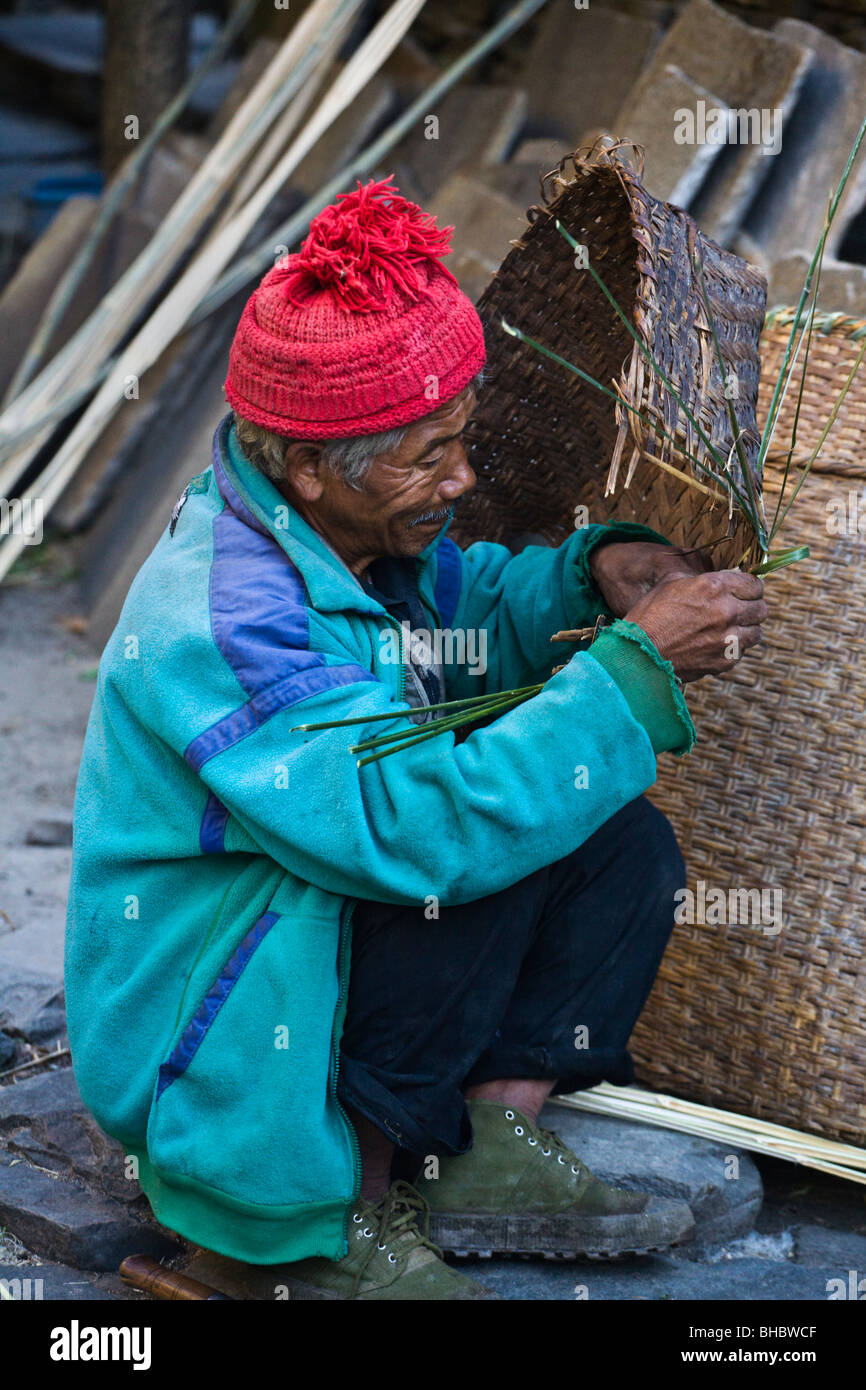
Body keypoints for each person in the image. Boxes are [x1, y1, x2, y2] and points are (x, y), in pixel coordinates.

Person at [65, 179, 768, 1300]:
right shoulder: (228, 619)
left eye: (461, 441)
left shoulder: (353, 532)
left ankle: (478, 1147)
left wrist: (585, 578)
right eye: (429, 456)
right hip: (204, 1020)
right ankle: (319, 1220)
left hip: (329, 900)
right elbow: (403, 825)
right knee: (433, 868)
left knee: (616, 845)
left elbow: (462, 614)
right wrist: (622, 675)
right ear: (307, 466)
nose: (464, 479)